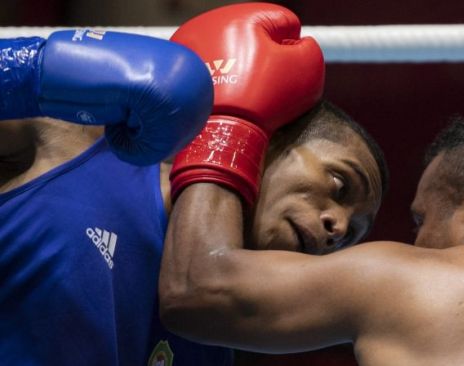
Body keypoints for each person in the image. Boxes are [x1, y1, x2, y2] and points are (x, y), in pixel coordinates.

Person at [0, 4, 388, 365]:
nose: (338, 228)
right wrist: (30, 70)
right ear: (272, 136)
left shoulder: (208, 337)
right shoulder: (82, 139)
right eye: (340, 185)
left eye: (352, 234)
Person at [160, 104, 464, 365]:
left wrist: (227, 119)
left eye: (422, 222)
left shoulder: (420, 282)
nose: (416, 245)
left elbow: (196, 288)